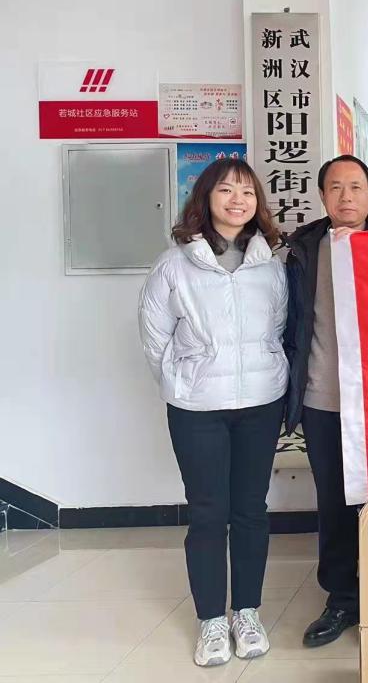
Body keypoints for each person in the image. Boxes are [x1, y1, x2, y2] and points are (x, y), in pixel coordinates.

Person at [138, 158, 287, 667]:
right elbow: (155, 339)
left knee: (251, 511)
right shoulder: (174, 265)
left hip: (260, 403)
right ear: (205, 198)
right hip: (198, 408)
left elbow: (278, 329)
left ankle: (247, 611)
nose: (237, 200)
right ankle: (211, 621)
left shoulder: (270, 262)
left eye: (247, 192)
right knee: (207, 513)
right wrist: (183, 383)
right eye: (226, 190)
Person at [283, 155, 368, 648]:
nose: (346, 197)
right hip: (324, 396)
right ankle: (342, 598)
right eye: (335, 188)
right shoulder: (304, 250)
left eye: (355, 187)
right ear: (322, 196)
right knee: (333, 501)